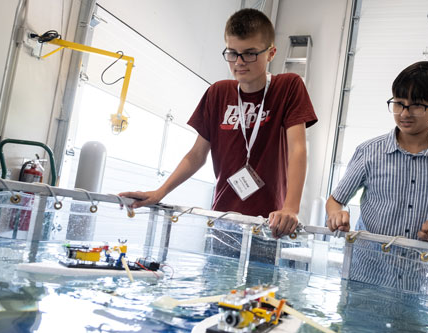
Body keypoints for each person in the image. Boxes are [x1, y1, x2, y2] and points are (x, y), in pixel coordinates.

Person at [120, 9, 317, 239]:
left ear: (271, 53)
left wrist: (290, 208)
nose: (239, 62)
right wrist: (160, 192)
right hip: (222, 220)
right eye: (233, 53)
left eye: (250, 53)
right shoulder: (218, 93)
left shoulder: (288, 87)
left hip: (270, 224)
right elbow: (196, 155)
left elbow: (298, 149)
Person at [326, 61, 428, 244]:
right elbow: (335, 200)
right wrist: (336, 214)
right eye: (399, 104)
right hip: (367, 266)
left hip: (416, 268)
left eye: (417, 105)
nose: (404, 113)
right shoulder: (369, 152)